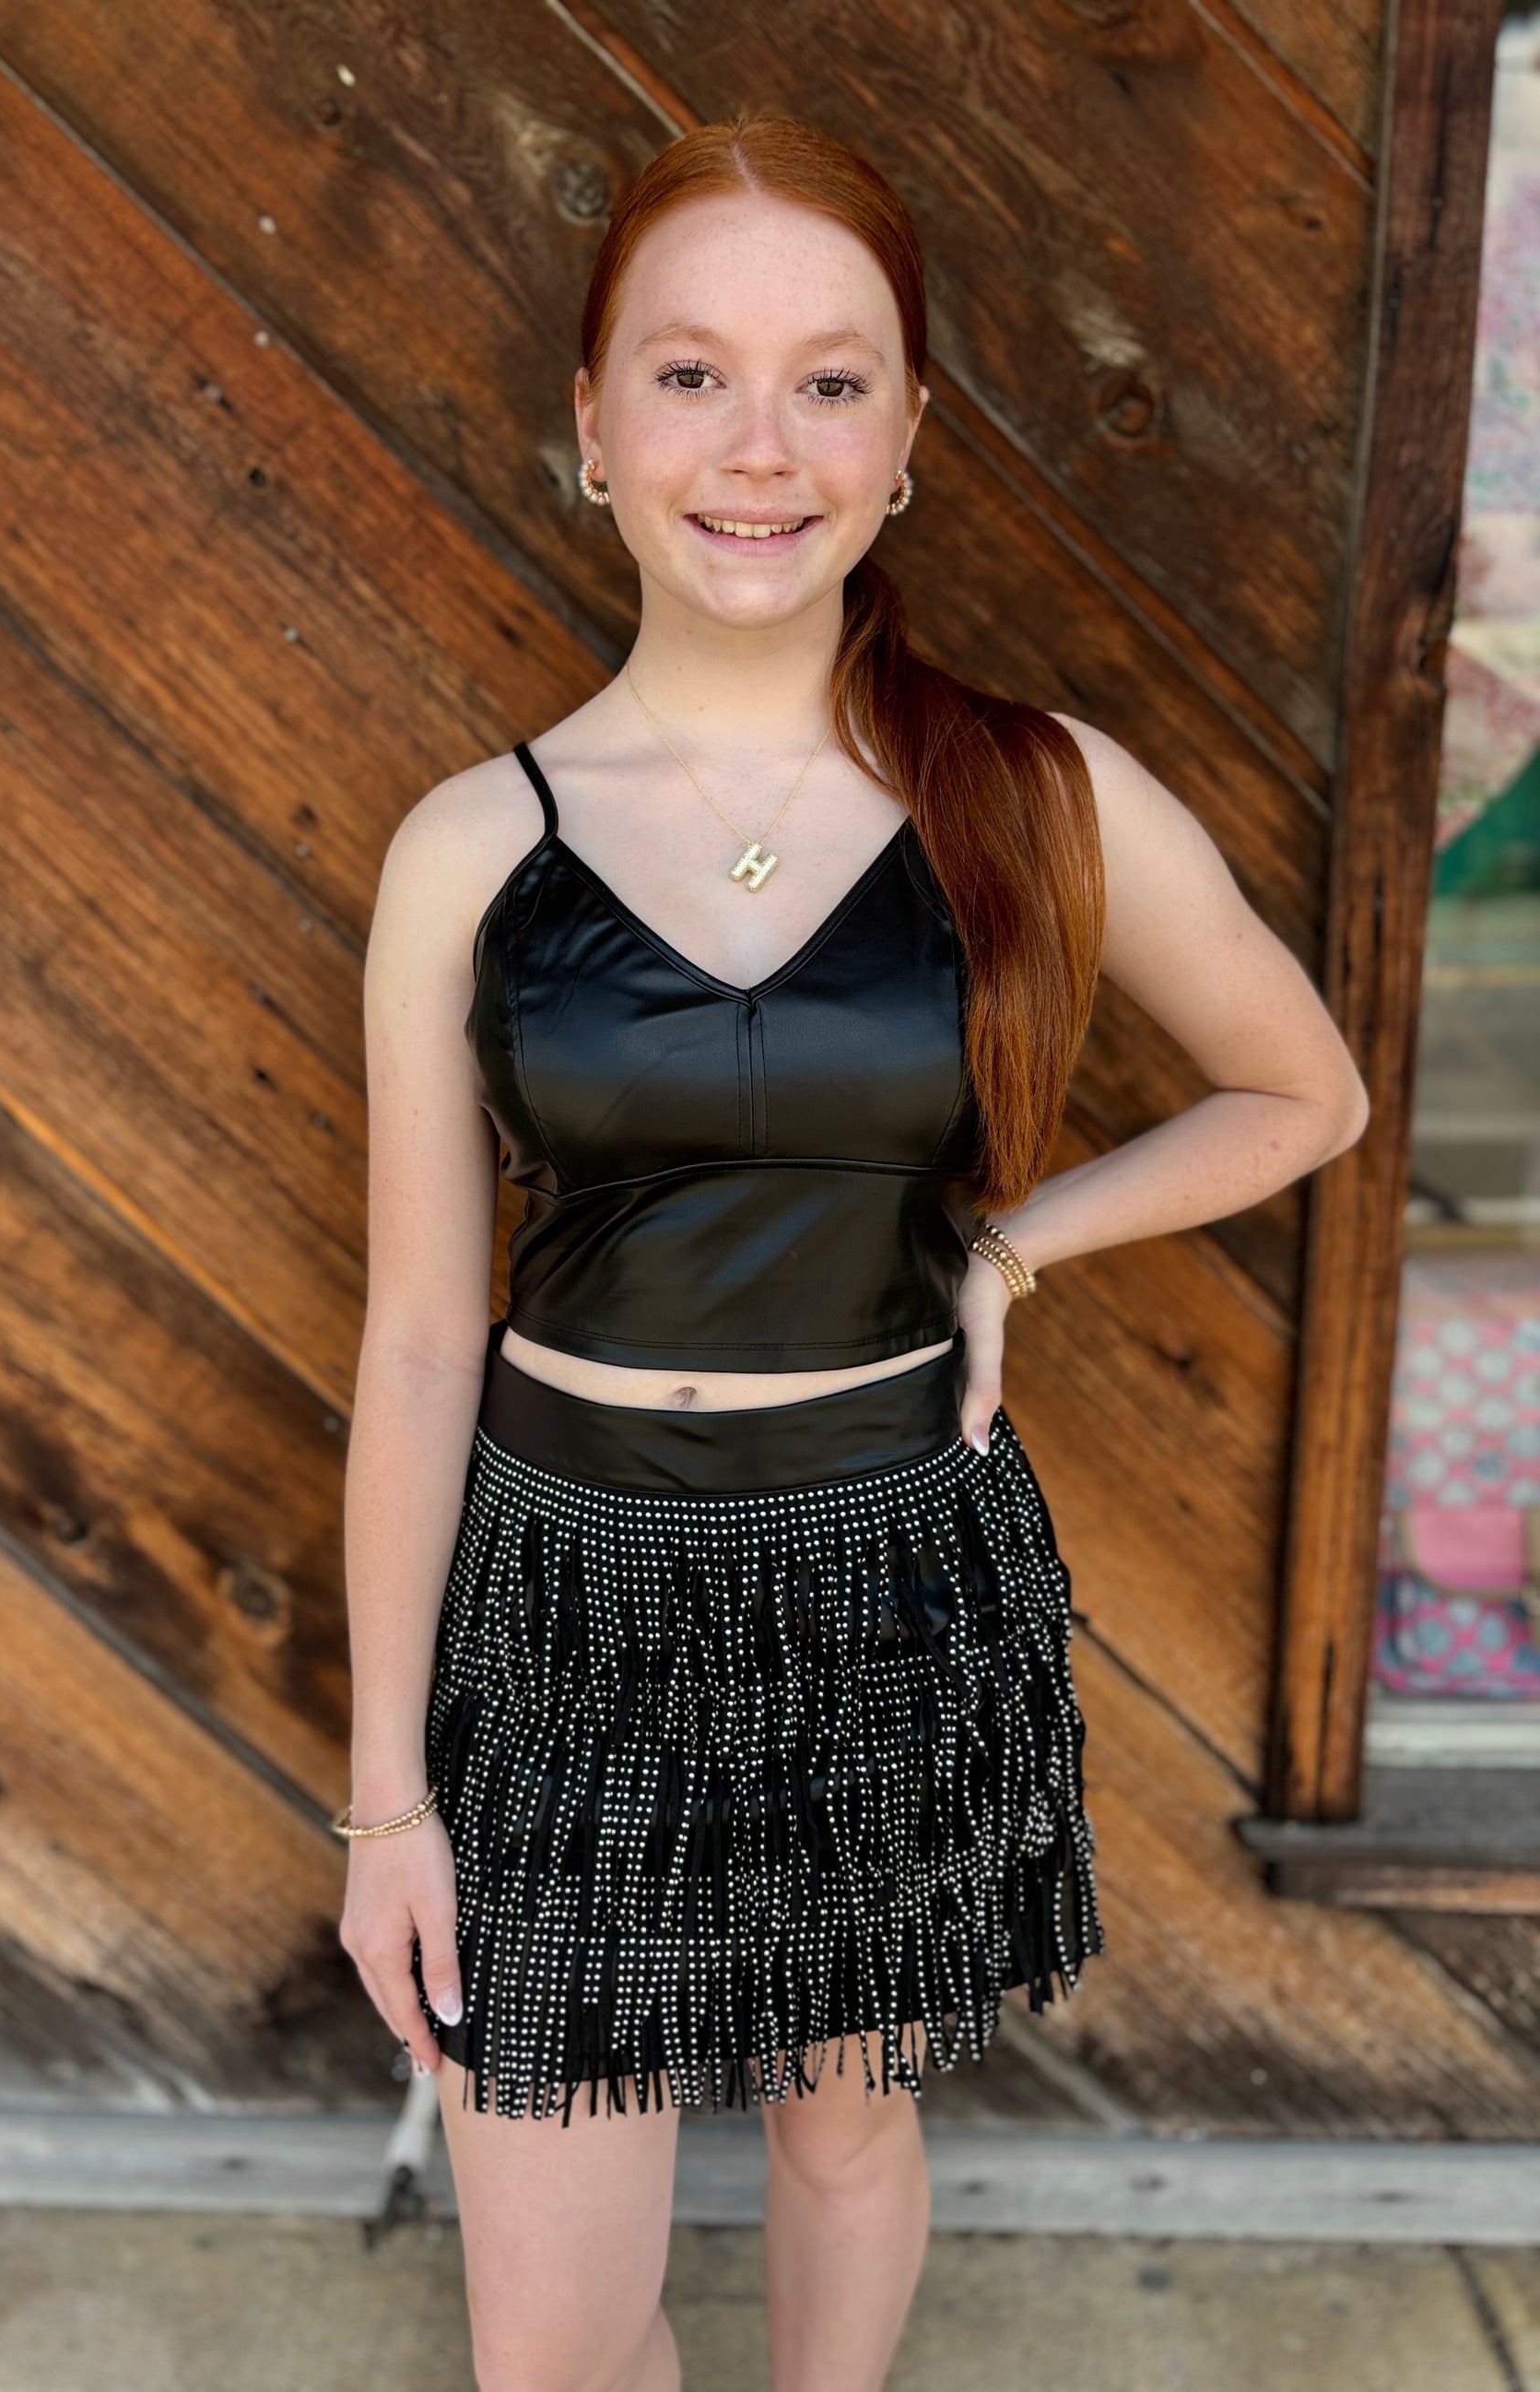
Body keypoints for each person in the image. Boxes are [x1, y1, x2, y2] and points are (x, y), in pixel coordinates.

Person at [338, 112, 1368, 2392]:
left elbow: (1302, 1091)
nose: (758, 445)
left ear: (906, 440)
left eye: (829, 380)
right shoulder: (468, 849)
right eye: (689, 374)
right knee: (549, 2344)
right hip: (565, 1593)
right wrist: (387, 1800)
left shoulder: (1033, 791)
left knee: (842, 2121)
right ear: (591, 424)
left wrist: (1019, 1241)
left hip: (888, 1568)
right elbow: (414, 1342)